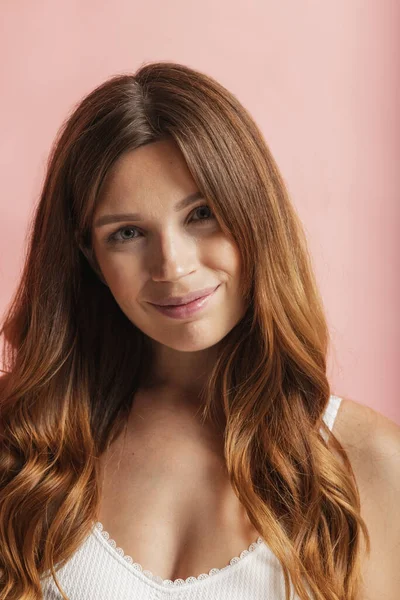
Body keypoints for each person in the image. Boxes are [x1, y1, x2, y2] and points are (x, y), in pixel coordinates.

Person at [0, 61, 398, 600]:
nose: (173, 266)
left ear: (255, 215)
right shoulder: (20, 443)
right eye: (127, 232)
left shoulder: (366, 459)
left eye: (202, 214)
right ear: (90, 258)